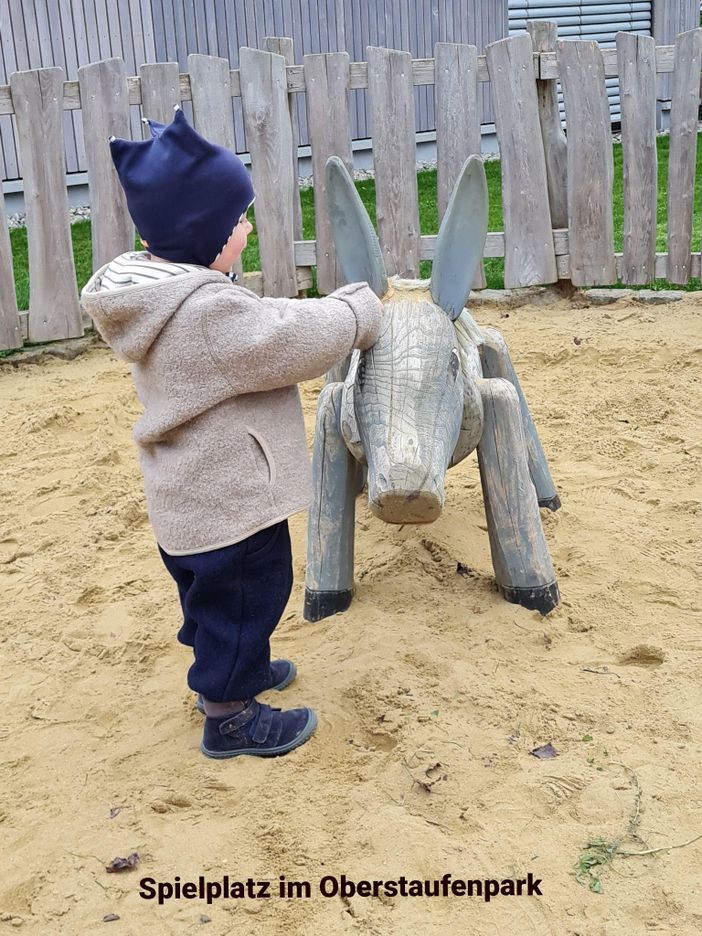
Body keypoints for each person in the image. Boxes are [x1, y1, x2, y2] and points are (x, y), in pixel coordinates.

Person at [80, 105, 383, 759]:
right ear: (205, 233)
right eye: (238, 219)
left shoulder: (170, 297)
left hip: (187, 498)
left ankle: (229, 666)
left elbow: (257, 319)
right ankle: (232, 716)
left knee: (215, 603)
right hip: (231, 505)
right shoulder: (208, 315)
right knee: (250, 595)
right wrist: (355, 312)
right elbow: (285, 340)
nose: (246, 226)